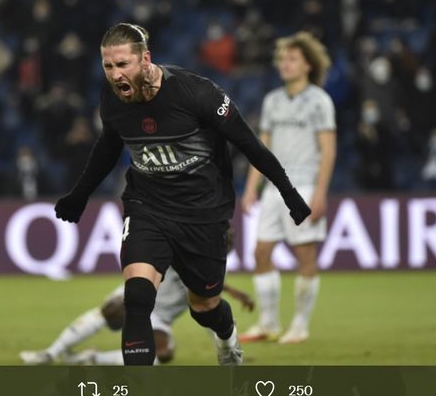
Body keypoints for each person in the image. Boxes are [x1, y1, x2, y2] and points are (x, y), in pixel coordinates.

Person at [54, 23, 310, 366]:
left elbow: (251, 145)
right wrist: (80, 194)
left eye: (122, 65)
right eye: (108, 66)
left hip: (203, 212)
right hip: (148, 205)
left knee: (204, 307)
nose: (115, 75)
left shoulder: (196, 93)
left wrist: (289, 195)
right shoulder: (112, 98)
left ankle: (227, 344)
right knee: (138, 296)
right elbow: (108, 147)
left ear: (145, 59)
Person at [239, 31, 336, 345]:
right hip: (274, 188)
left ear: (308, 65)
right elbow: (261, 149)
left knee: (304, 254)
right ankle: (268, 322)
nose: (285, 64)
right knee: (261, 251)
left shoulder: (319, 102)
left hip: (305, 185)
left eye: (292, 58)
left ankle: (300, 325)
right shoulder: (273, 101)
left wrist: (320, 193)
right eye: (282, 58)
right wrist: (251, 187)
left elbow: (328, 150)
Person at [18, 267, 255, 365]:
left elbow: (208, 288)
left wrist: (235, 293)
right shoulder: (185, 241)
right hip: (142, 294)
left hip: (160, 315)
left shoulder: (207, 262)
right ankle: (51, 352)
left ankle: (92, 359)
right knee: (111, 310)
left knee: (162, 354)